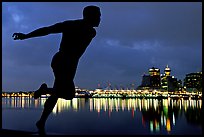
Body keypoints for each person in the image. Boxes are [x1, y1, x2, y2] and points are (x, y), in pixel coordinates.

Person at [12, 5, 101, 134]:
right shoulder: (71, 25)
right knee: (65, 94)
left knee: (61, 94)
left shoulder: (92, 32)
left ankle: (42, 116)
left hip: (70, 64)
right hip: (62, 61)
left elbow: (49, 30)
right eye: (98, 15)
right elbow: (47, 30)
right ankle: (42, 117)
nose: (100, 18)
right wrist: (26, 36)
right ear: (89, 16)